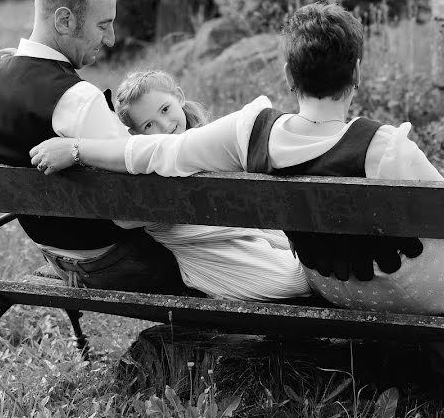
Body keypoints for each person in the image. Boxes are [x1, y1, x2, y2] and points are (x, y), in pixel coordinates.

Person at [30, 2, 444, 395]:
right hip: (425, 288)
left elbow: (154, 154)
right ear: (356, 73)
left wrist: (81, 150)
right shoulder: (386, 148)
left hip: (331, 283)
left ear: (290, 75)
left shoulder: (253, 132)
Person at [0, 0, 186, 294]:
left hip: (55, 254)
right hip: (120, 263)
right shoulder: (76, 100)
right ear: (64, 20)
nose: (109, 39)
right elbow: (133, 210)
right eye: (103, 25)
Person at [109, 70, 310, 301]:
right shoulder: (145, 167)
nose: (164, 126)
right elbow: (123, 220)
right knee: (296, 279)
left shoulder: (206, 141)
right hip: (208, 254)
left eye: (165, 109)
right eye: (148, 125)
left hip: (243, 234)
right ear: (135, 134)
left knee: (306, 263)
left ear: (179, 97)